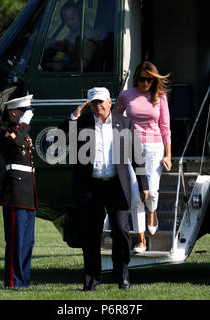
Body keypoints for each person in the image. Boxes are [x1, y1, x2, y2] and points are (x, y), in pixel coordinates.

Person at [60, 87, 149, 290]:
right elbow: (59, 138)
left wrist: (143, 184)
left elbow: (137, 155)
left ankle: (122, 274)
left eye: (101, 102)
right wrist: (74, 116)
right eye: (93, 103)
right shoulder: (81, 123)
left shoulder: (124, 123)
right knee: (90, 235)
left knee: (121, 231)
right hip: (90, 188)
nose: (97, 106)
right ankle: (92, 280)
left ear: (110, 102)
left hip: (116, 186)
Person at [115, 61, 172, 253]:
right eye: (141, 79)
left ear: (154, 80)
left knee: (152, 192)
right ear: (136, 78)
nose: (145, 83)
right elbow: (117, 117)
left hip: (155, 148)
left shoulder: (160, 97)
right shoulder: (126, 95)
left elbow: (165, 128)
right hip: (132, 148)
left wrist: (169, 155)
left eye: (149, 80)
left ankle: (152, 212)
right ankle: (140, 240)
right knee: (135, 195)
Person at [0, 94, 38, 288]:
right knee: (16, 241)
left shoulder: (22, 133)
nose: (27, 115)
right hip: (15, 193)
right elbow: (12, 143)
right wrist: (23, 125)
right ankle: (13, 281)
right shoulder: (7, 133)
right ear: (15, 112)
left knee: (28, 242)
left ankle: (24, 280)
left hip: (28, 192)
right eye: (24, 111)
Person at [42, 1, 97, 71]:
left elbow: (83, 63)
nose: (69, 23)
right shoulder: (73, 32)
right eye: (66, 20)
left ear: (80, 16)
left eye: (72, 19)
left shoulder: (87, 34)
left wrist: (63, 66)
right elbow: (66, 46)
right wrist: (50, 43)